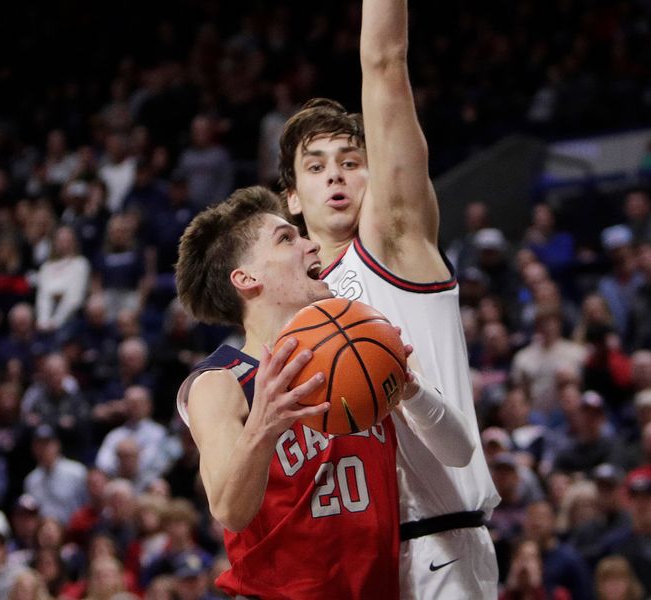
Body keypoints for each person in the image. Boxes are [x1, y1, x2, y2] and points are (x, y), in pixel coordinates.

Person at [277, 0, 497, 596]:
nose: (336, 175)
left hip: (437, 544)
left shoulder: (394, 244)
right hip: (346, 560)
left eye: (352, 162)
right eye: (316, 166)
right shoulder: (289, 305)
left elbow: (383, 62)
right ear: (291, 197)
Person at [173, 186, 472, 598]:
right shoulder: (220, 381)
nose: (312, 245)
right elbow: (229, 510)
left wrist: (413, 390)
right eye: (286, 239)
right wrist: (265, 425)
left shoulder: (368, 347)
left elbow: (461, 455)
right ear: (246, 278)